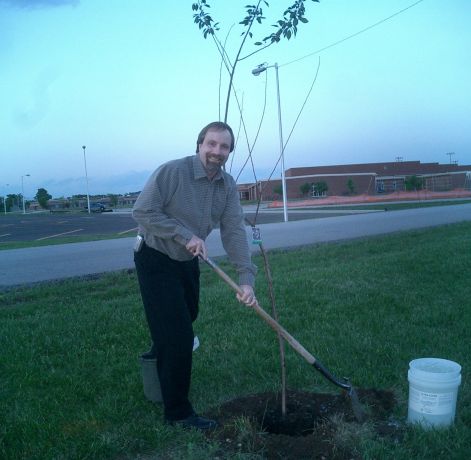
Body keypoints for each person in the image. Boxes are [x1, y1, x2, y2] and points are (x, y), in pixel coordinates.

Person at [132, 121, 257, 430]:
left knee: (187, 315)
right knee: (178, 336)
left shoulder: (227, 187)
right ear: (199, 144)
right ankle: (178, 413)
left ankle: (157, 358)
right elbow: (143, 212)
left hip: (188, 258)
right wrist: (183, 233)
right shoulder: (172, 172)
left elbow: (234, 233)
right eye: (211, 144)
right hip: (155, 255)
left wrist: (245, 279)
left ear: (229, 151)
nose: (217, 151)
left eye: (224, 146)